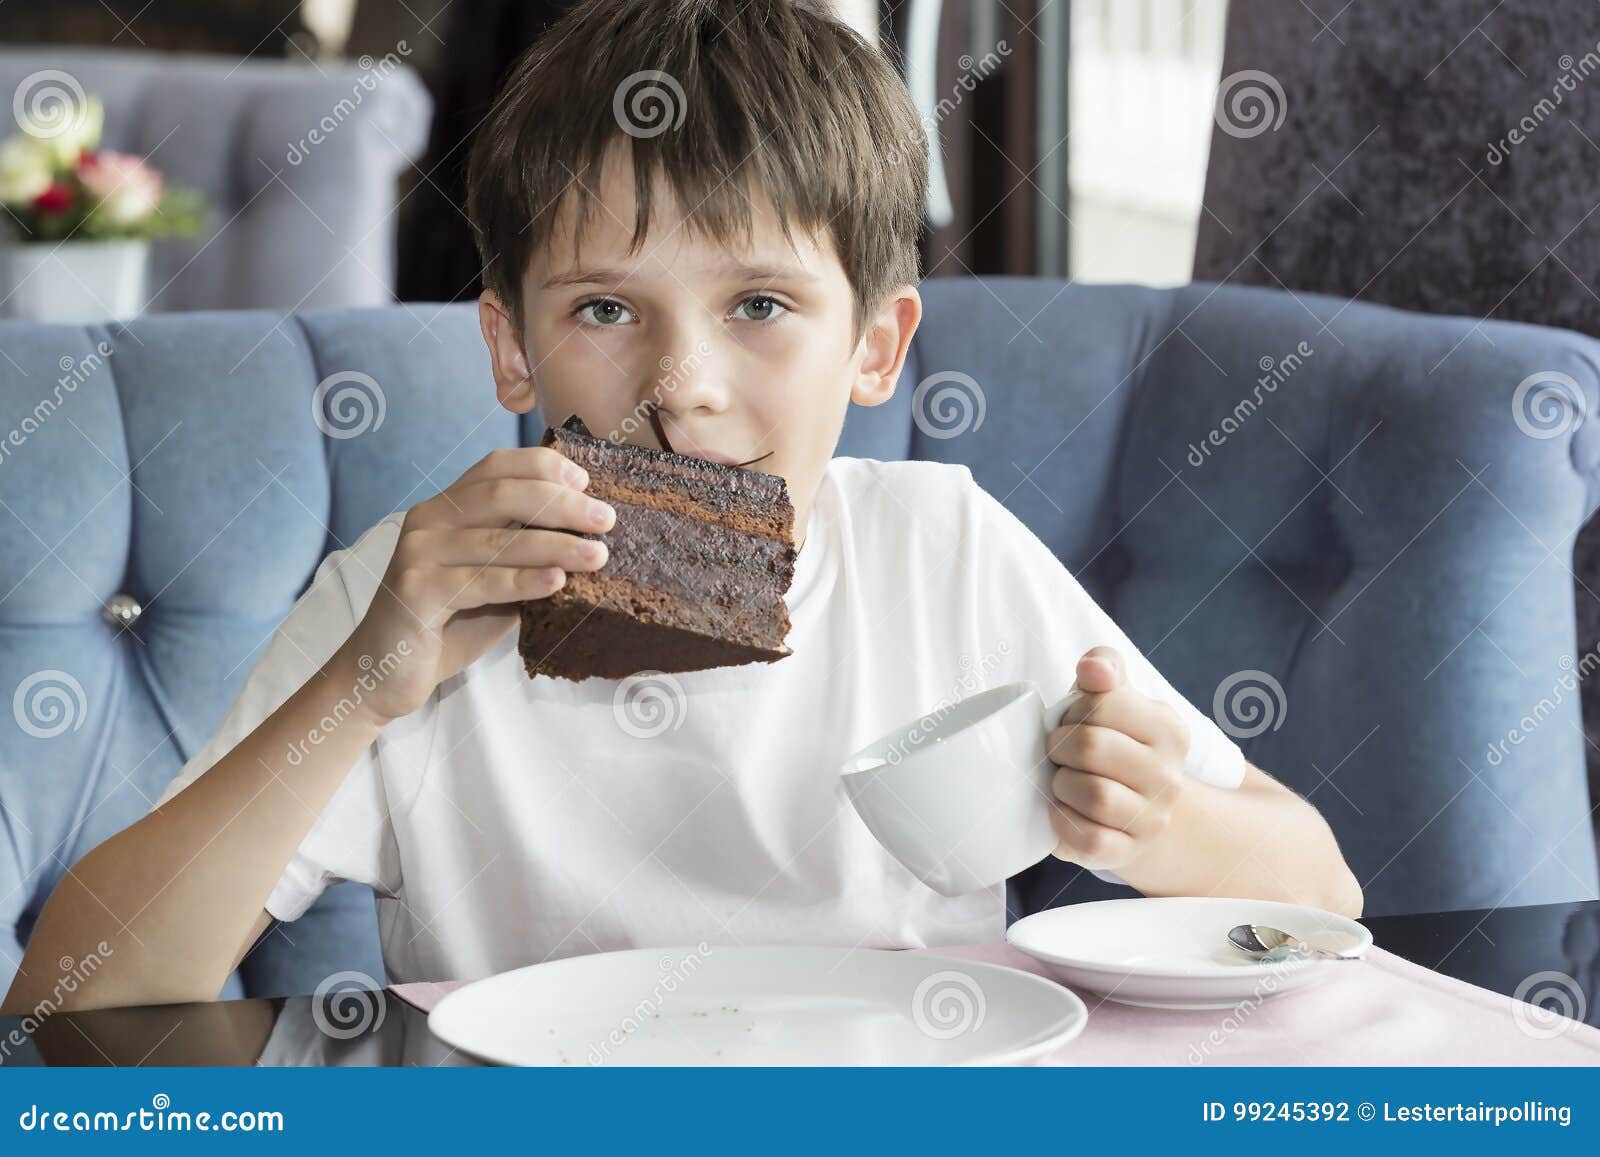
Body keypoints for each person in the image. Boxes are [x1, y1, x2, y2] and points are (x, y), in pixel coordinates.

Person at [3, 0, 1359, 1015]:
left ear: (876, 347)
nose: (682, 390)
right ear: (511, 348)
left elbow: (1322, 891)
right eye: (605, 309)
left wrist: (1164, 824)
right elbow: (70, 1005)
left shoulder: (940, 553)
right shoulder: (405, 596)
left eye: (760, 304)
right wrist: (362, 686)